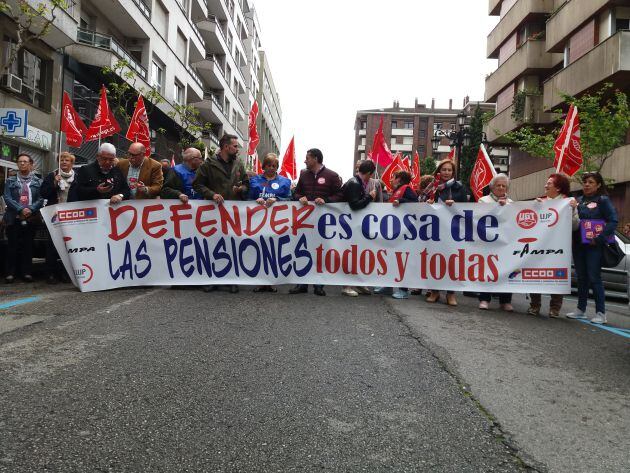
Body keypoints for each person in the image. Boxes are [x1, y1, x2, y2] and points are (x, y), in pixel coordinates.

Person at [193, 134, 249, 294]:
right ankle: (212, 279)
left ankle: (232, 280)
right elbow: (197, 184)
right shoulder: (208, 164)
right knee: (213, 245)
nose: (237, 149)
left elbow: (246, 183)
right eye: (235, 146)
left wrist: (241, 189)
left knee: (232, 246)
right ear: (226, 147)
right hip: (213, 212)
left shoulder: (238, 163)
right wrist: (212, 194)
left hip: (233, 213)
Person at [290, 148, 344, 296]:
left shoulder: (332, 176)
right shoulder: (304, 175)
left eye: (307, 158)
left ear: (315, 159)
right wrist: (299, 197)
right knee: (302, 250)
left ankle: (319, 284)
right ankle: (301, 284)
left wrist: (326, 200)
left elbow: (340, 194)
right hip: (305, 221)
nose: (305, 161)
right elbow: (296, 192)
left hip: (324, 222)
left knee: (321, 252)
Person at [566, 172, 618, 324]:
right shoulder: (578, 200)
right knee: (582, 278)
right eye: (585, 182)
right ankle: (580, 310)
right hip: (579, 244)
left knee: (594, 277)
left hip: (594, 246)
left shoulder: (603, 200)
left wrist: (599, 238)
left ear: (598, 185)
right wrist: (572, 208)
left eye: (591, 182)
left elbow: (613, 221)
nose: (587, 185)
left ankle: (601, 313)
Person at [527, 173, 579, 318]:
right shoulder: (540, 201)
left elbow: (575, 226)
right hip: (540, 245)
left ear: (558, 188)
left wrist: (573, 210)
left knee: (558, 275)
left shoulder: (568, 202)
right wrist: (534, 207)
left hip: (560, 247)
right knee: (535, 273)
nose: (545, 185)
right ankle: (534, 305)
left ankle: (555, 308)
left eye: (549, 183)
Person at [426, 159, 468, 306]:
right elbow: (421, 200)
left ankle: (450, 293)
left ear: (453, 172)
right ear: (439, 171)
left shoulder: (460, 187)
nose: (446, 172)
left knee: (452, 261)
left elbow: (466, 208)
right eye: (444, 169)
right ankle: (435, 291)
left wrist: (455, 206)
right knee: (435, 260)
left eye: (449, 170)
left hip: (453, 230)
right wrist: (428, 203)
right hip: (435, 230)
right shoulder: (433, 187)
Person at [248, 152, 292, 293]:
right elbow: (247, 199)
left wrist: (277, 199)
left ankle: (272, 281)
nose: (271, 168)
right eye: (269, 165)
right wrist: (256, 201)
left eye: (274, 166)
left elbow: (290, 199)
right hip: (258, 221)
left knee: (275, 250)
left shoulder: (285, 182)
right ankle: (261, 281)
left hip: (277, 222)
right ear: (264, 166)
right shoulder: (255, 181)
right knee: (260, 250)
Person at [374, 170, 418, 299]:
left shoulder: (407, 189)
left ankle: (403, 290)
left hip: (404, 233)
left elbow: (415, 203)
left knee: (401, 261)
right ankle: (388, 286)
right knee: (391, 259)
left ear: (399, 179)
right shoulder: (396, 191)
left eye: (393, 177)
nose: (391, 180)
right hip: (394, 232)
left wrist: (401, 201)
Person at [3, 153, 44, 283]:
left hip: (31, 218)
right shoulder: (10, 181)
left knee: (28, 246)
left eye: (25, 161)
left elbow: (41, 198)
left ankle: (26, 272)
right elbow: (7, 197)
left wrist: (30, 209)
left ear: (31, 164)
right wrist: (21, 209)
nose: (22, 164)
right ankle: (10, 273)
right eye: (20, 161)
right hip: (14, 217)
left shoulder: (38, 181)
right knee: (12, 246)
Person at [342, 159, 379, 296]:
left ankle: (356, 283)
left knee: (356, 254)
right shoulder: (354, 183)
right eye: (371, 174)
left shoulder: (356, 182)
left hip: (353, 225)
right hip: (348, 225)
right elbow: (355, 205)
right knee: (350, 255)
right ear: (369, 173)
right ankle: (347, 286)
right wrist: (369, 197)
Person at [477, 174, 514, 311]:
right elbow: (480, 216)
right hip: (488, 241)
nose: (501, 187)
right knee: (487, 269)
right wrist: (498, 207)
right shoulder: (483, 200)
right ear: (492, 186)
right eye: (498, 185)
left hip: (505, 242)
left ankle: (505, 301)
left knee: (506, 270)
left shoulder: (511, 203)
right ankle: (484, 299)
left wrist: (506, 207)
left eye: (504, 185)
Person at [40, 152, 76, 284]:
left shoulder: (76, 177)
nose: (64, 162)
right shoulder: (52, 175)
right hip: (54, 215)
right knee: (53, 245)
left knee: (69, 246)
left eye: (67, 160)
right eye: (61, 160)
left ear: (72, 163)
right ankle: (50, 273)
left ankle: (66, 273)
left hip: (71, 216)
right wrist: (54, 183)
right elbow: (43, 193)